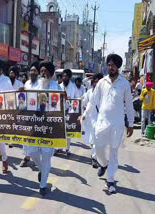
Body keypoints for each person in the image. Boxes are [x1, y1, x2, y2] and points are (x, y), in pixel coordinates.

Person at [81, 54, 134, 194]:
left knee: (114, 151)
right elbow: (92, 101)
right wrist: (85, 114)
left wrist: (131, 123)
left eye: (113, 65)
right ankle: (103, 164)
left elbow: (129, 104)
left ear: (118, 67)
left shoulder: (124, 83)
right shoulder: (102, 82)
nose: (111, 67)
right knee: (98, 147)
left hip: (117, 123)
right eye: (109, 65)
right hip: (102, 122)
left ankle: (110, 180)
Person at [28, 61, 62, 196]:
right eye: (41, 71)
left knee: (47, 155)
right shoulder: (33, 86)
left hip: (50, 128)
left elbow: (62, 107)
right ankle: (42, 169)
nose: (42, 73)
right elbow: (26, 102)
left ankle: (43, 185)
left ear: (51, 73)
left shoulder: (57, 88)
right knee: (32, 152)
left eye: (45, 71)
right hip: (35, 126)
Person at [20, 61, 40, 167]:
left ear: (38, 72)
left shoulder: (41, 83)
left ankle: (36, 159)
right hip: (27, 113)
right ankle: (26, 157)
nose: (32, 72)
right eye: (31, 70)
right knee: (25, 136)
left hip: (37, 114)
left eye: (34, 71)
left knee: (35, 137)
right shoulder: (27, 83)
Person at [82, 73, 104, 168]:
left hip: (101, 118)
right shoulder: (89, 92)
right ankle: (95, 155)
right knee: (92, 139)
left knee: (97, 138)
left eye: (98, 81)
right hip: (90, 118)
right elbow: (84, 102)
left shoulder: (105, 92)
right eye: (95, 81)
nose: (96, 83)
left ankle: (95, 158)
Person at [59, 69, 77, 155]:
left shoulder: (73, 87)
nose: (64, 78)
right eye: (63, 76)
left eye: (66, 76)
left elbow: (77, 100)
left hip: (69, 110)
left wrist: (69, 100)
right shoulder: (59, 86)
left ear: (69, 77)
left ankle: (67, 148)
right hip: (59, 110)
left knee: (68, 131)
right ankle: (59, 148)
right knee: (59, 130)